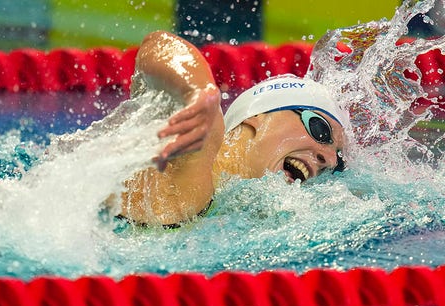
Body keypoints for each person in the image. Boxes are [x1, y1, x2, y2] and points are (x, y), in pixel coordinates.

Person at [113, 31, 349, 228]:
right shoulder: (199, 151)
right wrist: (197, 92)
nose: (328, 159)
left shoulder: (228, 206)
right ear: (256, 118)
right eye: (320, 130)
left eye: (338, 163)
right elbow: (159, 44)